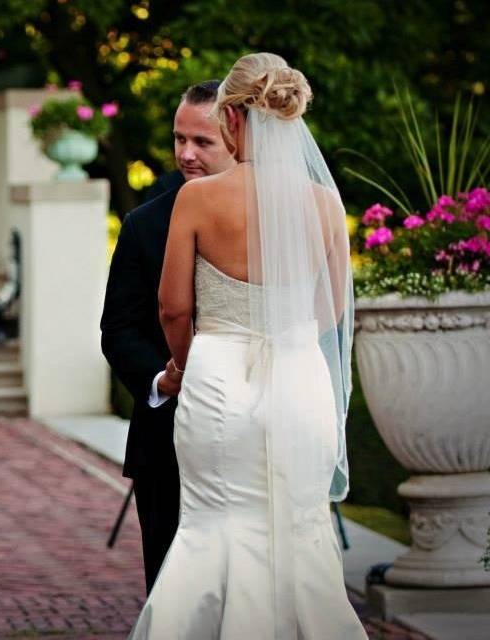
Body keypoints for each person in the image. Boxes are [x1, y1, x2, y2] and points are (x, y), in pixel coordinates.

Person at [129, 53, 366, 638]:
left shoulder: (199, 200)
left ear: (232, 117)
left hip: (217, 376)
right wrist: (284, 341)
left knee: (214, 524)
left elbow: (173, 307)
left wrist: (184, 364)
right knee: (299, 524)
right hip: (299, 377)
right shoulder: (323, 203)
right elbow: (332, 307)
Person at [101, 80, 236, 594]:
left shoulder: (278, 222)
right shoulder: (143, 224)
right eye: (179, 139)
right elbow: (117, 329)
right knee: (172, 587)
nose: (186, 153)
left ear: (237, 138)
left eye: (202, 142)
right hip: (168, 441)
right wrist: (163, 380)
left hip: (256, 431)